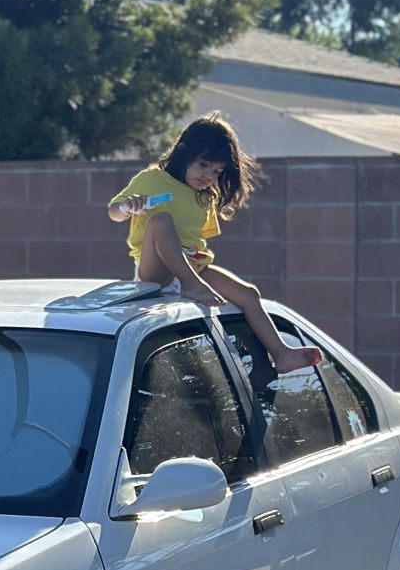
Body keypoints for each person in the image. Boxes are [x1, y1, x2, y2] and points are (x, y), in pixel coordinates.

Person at [108, 113, 321, 374]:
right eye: (204, 164)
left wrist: (194, 267)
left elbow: (197, 242)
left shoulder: (203, 198)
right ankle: (190, 284)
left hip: (194, 267)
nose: (208, 175)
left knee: (249, 294)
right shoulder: (152, 180)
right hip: (157, 270)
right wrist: (129, 207)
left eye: (217, 171)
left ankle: (281, 353)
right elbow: (113, 212)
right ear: (184, 153)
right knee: (161, 221)